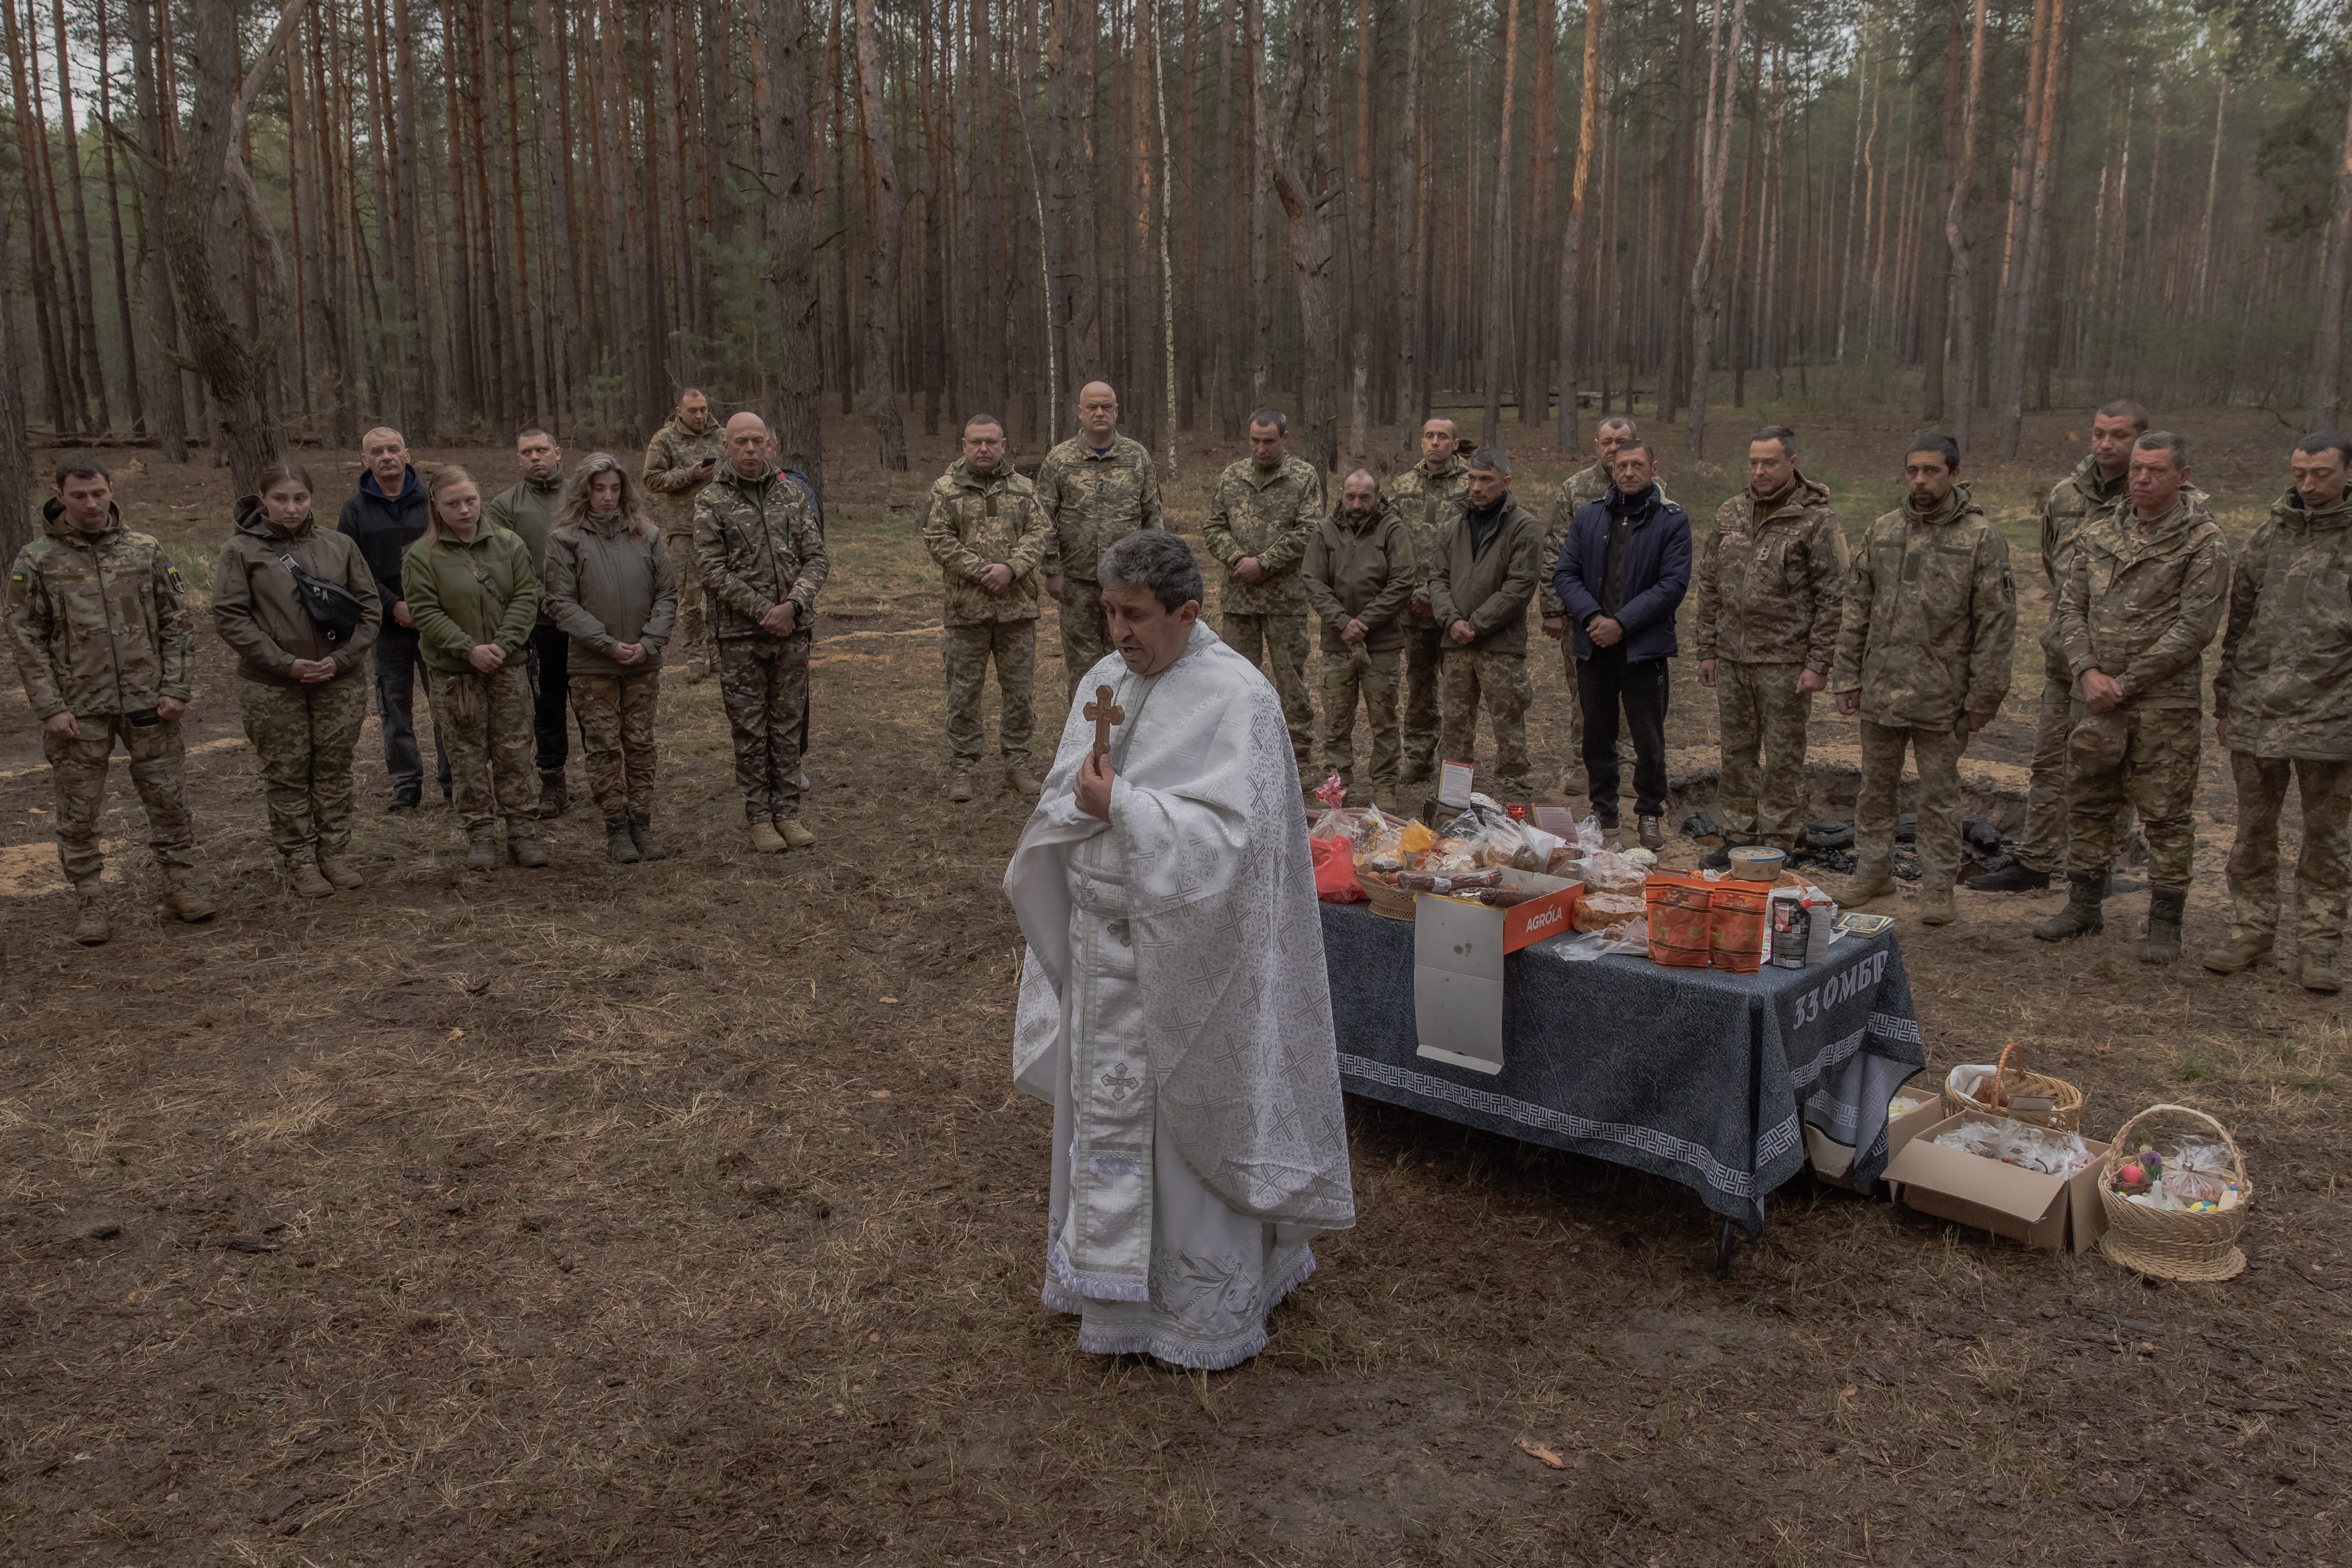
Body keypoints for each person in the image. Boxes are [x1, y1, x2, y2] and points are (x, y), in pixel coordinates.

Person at [1003, 528, 1355, 1369]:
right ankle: (1105, 1283)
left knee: (1184, 1126)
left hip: (1190, 961)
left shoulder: (1238, 696)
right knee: (1109, 1122)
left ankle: (1196, 1306)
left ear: (1187, 612)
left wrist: (1123, 804)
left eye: (1136, 615)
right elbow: (1066, 789)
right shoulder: (1104, 680)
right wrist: (1086, 802)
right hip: (1104, 953)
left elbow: (1237, 845)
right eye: (1108, 611)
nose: (1119, 632)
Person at [5, 452, 211, 943]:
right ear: (59, 496)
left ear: (112, 488)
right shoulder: (37, 559)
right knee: (79, 810)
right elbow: (24, 636)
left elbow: (178, 622)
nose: (92, 503)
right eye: (79, 496)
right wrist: (50, 706)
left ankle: (180, 884)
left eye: (99, 492)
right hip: (79, 708)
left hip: (149, 704)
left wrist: (177, 687)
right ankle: (90, 899)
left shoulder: (146, 549)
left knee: (168, 800)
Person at [2032, 431, 2223, 961]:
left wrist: (2126, 682)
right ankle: (2082, 906)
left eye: (2154, 471)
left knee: (2163, 812)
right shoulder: (2099, 533)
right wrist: (2087, 671)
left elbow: (2194, 627)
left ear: (2181, 476)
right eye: (2137, 469)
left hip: (2162, 704)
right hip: (2092, 697)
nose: (2140, 478)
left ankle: (2164, 922)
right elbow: (2068, 607)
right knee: (2089, 800)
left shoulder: (2202, 540)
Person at [1830, 435, 2017, 925]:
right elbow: (1855, 609)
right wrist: (1847, 675)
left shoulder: (1979, 537)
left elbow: (1997, 624)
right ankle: (1874, 871)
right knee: (1875, 787)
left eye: (1931, 471)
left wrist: (1985, 695)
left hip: (1943, 695)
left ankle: (1937, 884)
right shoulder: (1883, 530)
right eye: (1913, 470)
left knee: (1938, 794)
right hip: (1881, 689)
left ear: (1953, 474)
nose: (1920, 480)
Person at [1977, 399, 2151, 893]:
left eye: (2118, 435)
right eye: (2098, 433)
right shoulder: (2064, 496)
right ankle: (2033, 861)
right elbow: (2056, 569)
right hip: (2064, 660)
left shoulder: (2156, 499)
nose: (2105, 444)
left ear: (2141, 437)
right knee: (2049, 762)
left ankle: (2098, 868)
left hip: (2124, 668)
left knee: (2111, 769)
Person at [2206, 430, 2352, 992]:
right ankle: (2250, 929)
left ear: (2345, 474)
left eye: (2320, 473)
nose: (2308, 484)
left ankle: (2318, 946)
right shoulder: (2268, 536)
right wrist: (2224, 701)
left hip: (2332, 718)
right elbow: (2237, 625)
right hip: (2256, 714)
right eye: (2299, 473)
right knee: (2251, 833)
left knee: (2326, 838)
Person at [212, 459, 384, 898]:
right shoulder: (241, 550)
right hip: (271, 685)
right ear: (263, 500)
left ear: (312, 499)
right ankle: (301, 861)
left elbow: (369, 608)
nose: (291, 508)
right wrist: (283, 662)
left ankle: (334, 853)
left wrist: (343, 659)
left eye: (300, 498)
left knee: (333, 769)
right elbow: (231, 616)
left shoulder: (340, 545)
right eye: (280, 499)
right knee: (287, 773)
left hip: (337, 681)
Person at [1691, 425, 1846, 864]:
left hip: (1785, 660)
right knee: (1735, 752)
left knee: (1782, 756)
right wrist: (1707, 649)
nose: (1759, 470)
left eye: (1770, 462)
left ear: (1792, 463)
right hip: (1732, 659)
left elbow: (1833, 596)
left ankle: (1777, 839)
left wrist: (1819, 662)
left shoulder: (1816, 520)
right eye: (1754, 462)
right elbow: (1708, 584)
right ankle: (1739, 835)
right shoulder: (1729, 513)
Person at [401, 466, 549, 872]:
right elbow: (425, 612)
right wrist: (468, 649)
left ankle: (522, 833)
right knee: (466, 756)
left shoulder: (509, 543)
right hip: (456, 675)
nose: (465, 509)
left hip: (508, 666)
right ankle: (481, 835)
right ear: (436, 506)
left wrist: (501, 645)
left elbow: (525, 595)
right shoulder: (421, 556)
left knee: (515, 751)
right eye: (453, 504)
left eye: (471, 500)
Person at [696, 411, 829, 853]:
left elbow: (817, 558)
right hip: (740, 637)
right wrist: (764, 611)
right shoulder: (711, 501)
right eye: (741, 442)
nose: (750, 449)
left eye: (757, 441)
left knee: (788, 724)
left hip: (792, 631)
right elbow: (710, 570)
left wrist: (792, 606)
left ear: (769, 444)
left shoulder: (792, 495)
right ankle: (759, 816)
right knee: (751, 729)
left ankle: (788, 812)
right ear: (727, 447)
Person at [1554, 442, 1693, 848]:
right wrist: (1594, 618)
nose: (1628, 472)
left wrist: (1622, 623)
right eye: (1621, 465)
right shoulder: (1589, 515)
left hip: (1643, 646)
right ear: (1611, 469)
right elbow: (1565, 573)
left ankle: (1649, 812)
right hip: (1594, 644)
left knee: (1648, 738)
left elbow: (1672, 585)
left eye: (1637, 465)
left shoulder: (1671, 520)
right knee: (1596, 734)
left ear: (1654, 467)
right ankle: (1604, 811)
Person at [544, 453, 677, 866]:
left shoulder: (647, 534)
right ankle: (616, 826)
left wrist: (649, 641)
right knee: (604, 748)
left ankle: (642, 821)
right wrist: (606, 643)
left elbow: (667, 594)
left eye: (615, 488)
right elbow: (560, 602)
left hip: (642, 660)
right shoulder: (565, 539)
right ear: (585, 490)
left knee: (640, 744)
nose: (608, 497)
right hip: (593, 664)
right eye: (599, 488)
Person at [923, 412, 1050, 804]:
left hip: (1017, 611)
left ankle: (1017, 763)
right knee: (963, 692)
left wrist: (1011, 568)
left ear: (1004, 444)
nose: (983, 448)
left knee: (1019, 693)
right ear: (964, 444)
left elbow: (1041, 531)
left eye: (991, 442)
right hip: (967, 612)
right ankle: (964, 765)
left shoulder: (1025, 488)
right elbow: (936, 537)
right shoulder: (945, 490)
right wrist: (983, 571)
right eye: (976, 441)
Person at [1202, 408, 1324, 789]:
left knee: (1291, 680)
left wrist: (1265, 563)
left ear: (1284, 439)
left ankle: (1298, 757)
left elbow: (1310, 529)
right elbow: (1213, 525)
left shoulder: (1303, 477)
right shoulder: (1232, 475)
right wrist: (1238, 559)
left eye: (1268, 441)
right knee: (1237, 680)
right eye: (1254, 440)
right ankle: (1240, 753)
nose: (1260, 448)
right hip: (1239, 598)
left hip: (1284, 599)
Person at [339, 427, 449, 809]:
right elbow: (353, 568)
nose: (386, 456)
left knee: (446, 705)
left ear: (407, 454)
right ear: (364, 461)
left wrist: (426, 607)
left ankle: (453, 783)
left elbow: (451, 555)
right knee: (394, 710)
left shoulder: (432, 502)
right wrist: (393, 606)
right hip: (386, 627)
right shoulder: (355, 511)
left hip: (437, 623)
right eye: (376, 451)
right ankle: (406, 787)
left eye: (393, 449)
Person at [1427, 448, 1545, 803]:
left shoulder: (1525, 527)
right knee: (1456, 726)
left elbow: (1520, 585)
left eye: (1486, 480)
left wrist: (1475, 624)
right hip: (1456, 645)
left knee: (1508, 723)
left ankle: (1515, 798)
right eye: (1472, 479)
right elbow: (1437, 580)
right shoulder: (1453, 526)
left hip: (1500, 646)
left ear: (1505, 482)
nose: (1477, 488)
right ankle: (1454, 798)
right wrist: (1451, 621)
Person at [1536, 415, 1636, 797]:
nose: (1614, 448)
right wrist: (1552, 608)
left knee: (1631, 691)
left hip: (1632, 616)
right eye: (1607, 442)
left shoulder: (1653, 488)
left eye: (1622, 441)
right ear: (1597, 445)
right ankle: (1582, 762)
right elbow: (1554, 551)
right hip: (1582, 613)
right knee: (1583, 692)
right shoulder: (1576, 489)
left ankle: (1625, 762)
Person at [1035, 381, 1164, 678]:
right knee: (1083, 665)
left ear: (1116, 411)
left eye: (1106, 406)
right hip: (1077, 581)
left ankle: (1127, 724)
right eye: (1092, 407)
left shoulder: (1136, 457)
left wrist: (1152, 570)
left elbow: (1152, 516)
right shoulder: (1060, 459)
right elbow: (1043, 518)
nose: (1099, 413)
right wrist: (1052, 570)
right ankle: (1086, 724)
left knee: (1130, 657)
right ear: (1079, 412)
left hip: (1128, 579)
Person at [1303, 469, 1414, 807]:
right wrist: (1341, 622)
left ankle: (1384, 785)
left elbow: (1404, 580)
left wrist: (1364, 623)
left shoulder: (1393, 529)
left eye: (1365, 497)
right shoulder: (1324, 530)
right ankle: (1338, 784)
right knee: (1336, 719)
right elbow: (1312, 579)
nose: (1356, 503)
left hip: (1381, 643)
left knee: (1384, 719)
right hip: (1338, 644)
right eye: (1350, 495)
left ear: (1378, 496)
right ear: (1342, 494)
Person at [484, 427, 573, 819]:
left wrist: (576, 602)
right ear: (518, 459)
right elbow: (504, 559)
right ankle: (553, 781)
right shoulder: (505, 506)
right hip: (538, 624)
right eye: (527, 452)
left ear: (557, 453)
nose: (535, 457)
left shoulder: (583, 495)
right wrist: (540, 595)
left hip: (587, 622)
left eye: (542, 450)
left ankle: (611, 778)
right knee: (546, 704)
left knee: (594, 703)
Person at [1387, 416, 1469, 793]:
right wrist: (1416, 593)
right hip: (1413, 609)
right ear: (1421, 441)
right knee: (1419, 687)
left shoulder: (1473, 483)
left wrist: (1442, 599)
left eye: (1443, 437)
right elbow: (1390, 545)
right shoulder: (1402, 486)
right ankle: (1418, 758)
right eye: (1429, 436)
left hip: (1458, 607)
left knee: (1460, 690)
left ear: (1455, 443)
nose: (1435, 442)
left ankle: (1455, 768)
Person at [642, 388, 725, 679]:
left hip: (721, 528)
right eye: (693, 411)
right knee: (689, 598)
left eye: (703, 409)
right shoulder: (664, 439)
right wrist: (690, 475)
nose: (700, 415)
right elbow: (651, 479)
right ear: (679, 411)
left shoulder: (722, 436)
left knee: (720, 596)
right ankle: (694, 655)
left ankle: (717, 653)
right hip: (684, 530)